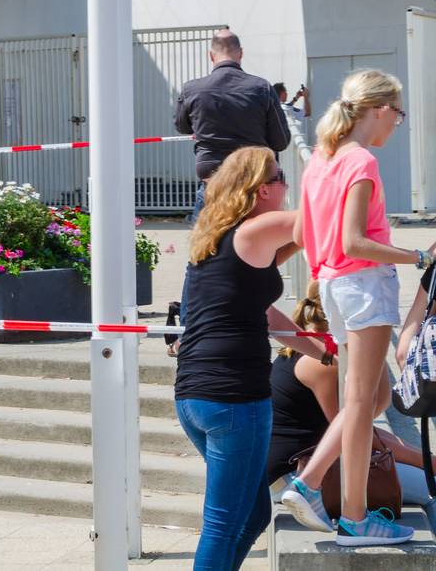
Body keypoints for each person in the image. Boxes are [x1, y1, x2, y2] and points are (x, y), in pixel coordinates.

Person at [291, 68, 434, 546]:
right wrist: (418, 256)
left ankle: (328, 496)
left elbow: (305, 237)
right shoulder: (361, 162)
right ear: (379, 109)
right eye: (397, 112)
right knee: (360, 404)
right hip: (364, 285)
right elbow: (357, 241)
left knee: (360, 402)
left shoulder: (320, 160)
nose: (397, 122)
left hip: (332, 285)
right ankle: (346, 511)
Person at [174, 146, 324, 570]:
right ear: (261, 190)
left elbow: (265, 313)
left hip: (194, 398)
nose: (287, 185)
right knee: (222, 524)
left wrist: (321, 351)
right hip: (234, 399)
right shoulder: (256, 230)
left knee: (256, 512)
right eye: (281, 178)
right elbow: (320, 221)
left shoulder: (215, 238)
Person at [268, 280, 436, 534]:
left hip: (300, 469)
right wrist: (430, 463)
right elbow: (355, 435)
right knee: (431, 489)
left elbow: (365, 422)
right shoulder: (323, 365)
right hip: (293, 475)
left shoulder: (314, 349)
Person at [173, 30, 291, 221]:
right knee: (260, 246)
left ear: (211, 56)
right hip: (252, 182)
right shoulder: (262, 88)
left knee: (205, 246)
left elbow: (182, 127)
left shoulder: (191, 89)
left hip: (212, 179)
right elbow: (281, 141)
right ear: (241, 53)